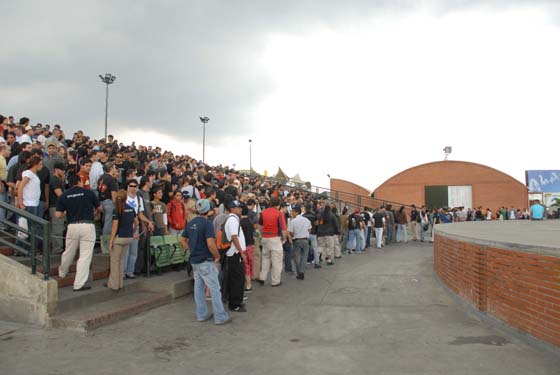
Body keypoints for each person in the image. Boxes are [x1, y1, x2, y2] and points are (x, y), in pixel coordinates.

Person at [180, 199, 231, 325]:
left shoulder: (191, 223)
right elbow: (210, 244)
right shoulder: (207, 224)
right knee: (214, 288)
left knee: (199, 287)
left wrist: (191, 249)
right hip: (205, 260)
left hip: (194, 260)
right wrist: (216, 256)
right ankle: (220, 316)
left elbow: (182, 239)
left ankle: (201, 314)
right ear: (208, 210)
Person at [56, 174, 101, 291]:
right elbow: (99, 207)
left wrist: (68, 212)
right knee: (85, 256)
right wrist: (96, 212)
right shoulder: (89, 193)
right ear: (80, 181)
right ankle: (78, 284)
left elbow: (58, 215)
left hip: (72, 226)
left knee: (69, 251)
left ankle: (62, 272)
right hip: (87, 225)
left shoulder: (64, 195)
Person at [107, 189, 138, 291]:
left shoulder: (117, 210)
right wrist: (133, 232)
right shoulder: (131, 208)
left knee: (115, 261)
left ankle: (114, 284)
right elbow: (136, 223)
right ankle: (120, 283)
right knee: (121, 260)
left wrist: (111, 240)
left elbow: (114, 227)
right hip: (128, 237)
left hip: (119, 238)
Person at [257, 196, 287, 286]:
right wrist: (284, 238)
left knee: (265, 258)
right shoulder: (279, 213)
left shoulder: (263, 212)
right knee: (276, 260)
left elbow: (259, 225)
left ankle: (262, 277)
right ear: (278, 205)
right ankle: (275, 281)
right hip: (275, 238)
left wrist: (263, 232)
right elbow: (284, 229)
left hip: (265, 237)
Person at [223, 199, 247, 312]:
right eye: (238, 207)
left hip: (235, 252)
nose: (240, 209)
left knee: (238, 278)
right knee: (237, 279)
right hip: (235, 253)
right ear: (232, 209)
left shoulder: (234, 219)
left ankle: (236, 301)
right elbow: (234, 237)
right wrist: (241, 252)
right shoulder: (232, 220)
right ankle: (235, 304)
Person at [288, 205, 311, 280]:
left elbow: (291, 232)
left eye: (293, 212)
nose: (292, 213)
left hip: (297, 240)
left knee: (297, 257)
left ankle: (299, 272)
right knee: (304, 257)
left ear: (296, 212)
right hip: (305, 239)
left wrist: (293, 235)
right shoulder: (306, 220)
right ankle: (302, 271)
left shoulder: (293, 221)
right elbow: (309, 229)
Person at [48, 162, 66, 254]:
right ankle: (57, 249)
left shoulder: (58, 180)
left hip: (57, 207)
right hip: (55, 207)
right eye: (62, 170)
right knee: (57, 229)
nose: (64, 172)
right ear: (56, 169)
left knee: (59, 228)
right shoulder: (54, 180)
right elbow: (60, 195)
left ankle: (57, 248)